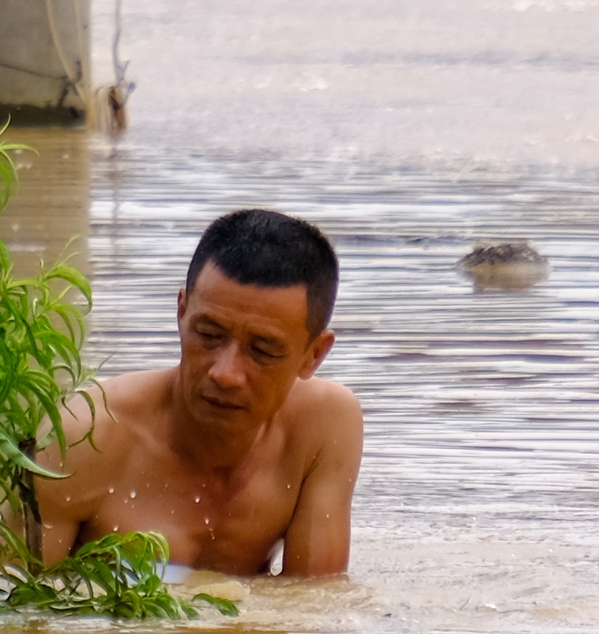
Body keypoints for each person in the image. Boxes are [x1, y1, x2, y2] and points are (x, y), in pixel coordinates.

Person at [19, 209, 363, 577]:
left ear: (313, 355)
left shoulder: (323, 428)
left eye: (262, 351)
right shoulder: (81, 437)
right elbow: (6, 611)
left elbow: (315, 606)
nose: (226, 374)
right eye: (209, 334)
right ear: (182, 312)